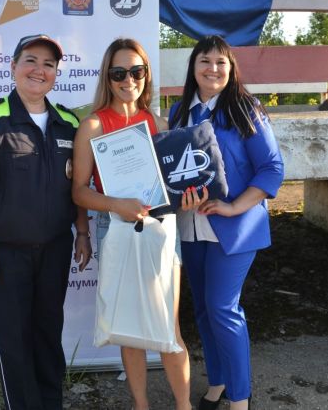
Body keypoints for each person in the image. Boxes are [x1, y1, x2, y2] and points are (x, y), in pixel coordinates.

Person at [0, 34, 92, 410]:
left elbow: (77, 186)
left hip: (55, 248)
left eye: (49, 64)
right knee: (14, 344)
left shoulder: (68, 122)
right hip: (4, 253)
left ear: (56, 73)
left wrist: (82, 232)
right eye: (31, 60)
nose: (39, 70)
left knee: (48, 336)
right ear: (13, 66)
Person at [72, 38, 191, 410]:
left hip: (161, 231)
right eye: (119, 73)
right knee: (129, 329)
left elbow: (175, 186)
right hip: (115, 229)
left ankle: (184, 406)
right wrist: (114, 205)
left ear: (146, 74)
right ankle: (141, 405)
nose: (129, 80)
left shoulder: (160, 124)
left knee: (168, 327)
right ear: (107, 77)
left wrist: (189, 197)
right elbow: (78, 191)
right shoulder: (93, 125)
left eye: (137, 71)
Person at [170, 35, 284, 410]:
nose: (213, 68)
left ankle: (240, 398)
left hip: (235, 228)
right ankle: (217, 383)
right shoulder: (180, 112)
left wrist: (235, 207)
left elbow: (272, 168)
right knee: (203, 310)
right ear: (193, 67)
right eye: (205, 60)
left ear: (231, 68)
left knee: (222, 308)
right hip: (192, 226)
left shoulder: (246, 109)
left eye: (221, 61)